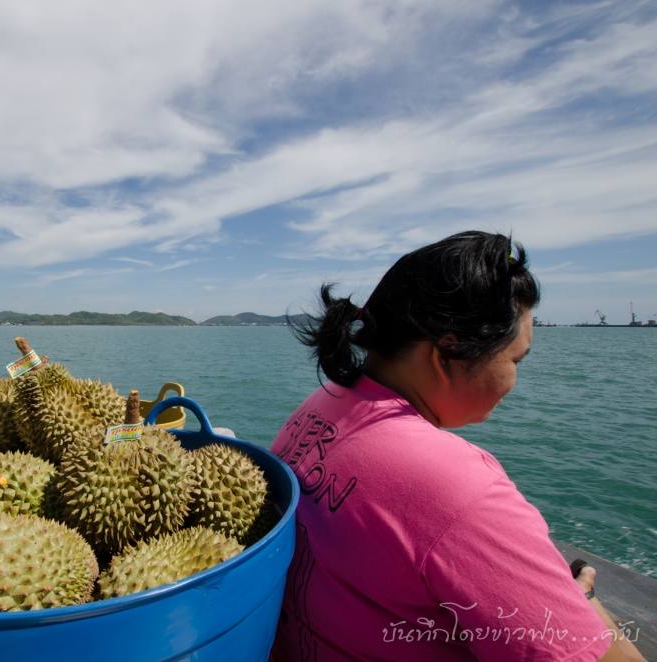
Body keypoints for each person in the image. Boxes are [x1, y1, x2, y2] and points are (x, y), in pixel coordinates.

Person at [269, 231, 645, 661]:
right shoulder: (459, 490)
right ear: (448, 351)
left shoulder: (323, 404)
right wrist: (584, 605)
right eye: (515, 360)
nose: (515, 381)